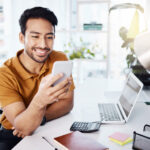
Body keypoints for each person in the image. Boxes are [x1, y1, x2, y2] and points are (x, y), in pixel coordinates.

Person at [0, 7, 75, 150]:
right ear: (22, 38)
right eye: (35, 36)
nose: (43, 45)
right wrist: (40, 100)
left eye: (49, 37)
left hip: (47, 126)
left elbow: (68, 103)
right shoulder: (4, 74)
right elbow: (23, 127)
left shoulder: (59, 59)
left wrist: (37, 118)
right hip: (13, 135)